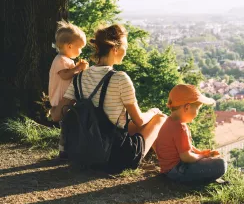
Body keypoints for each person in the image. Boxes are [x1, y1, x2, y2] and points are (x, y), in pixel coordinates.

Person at [52, 24, 167, 168]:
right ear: (115, 49)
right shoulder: (120, 78)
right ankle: (169, 164)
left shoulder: (80, 77)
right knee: (160, 119)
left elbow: (56, 116)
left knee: (126, 124)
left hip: (85, 152)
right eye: (126, 45)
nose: (126, 50)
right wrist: (153, 111)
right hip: (114, 157)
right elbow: (139, 121)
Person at [155, 84, 227, 184]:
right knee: (221, 165)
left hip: (168, 170)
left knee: (211, 161)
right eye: (198, 109)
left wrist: (201, 153)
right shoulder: (180, 127)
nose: (197, 113)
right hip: (178, 171)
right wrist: (202, 157)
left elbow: (185, 147)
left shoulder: (170, 122)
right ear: (187, 107)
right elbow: (186, 157)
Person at [49, 20, 89, 159]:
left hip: (65, 98)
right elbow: (65, 75)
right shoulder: (61, 60)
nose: (81, 51)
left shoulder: (66, 60)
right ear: (70, 46)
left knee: (69, 123)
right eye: (80, 48)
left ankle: (68, 148)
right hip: (61, 99)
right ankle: (64, 151)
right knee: (66, 125)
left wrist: (77, 68)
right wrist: (78, 68)